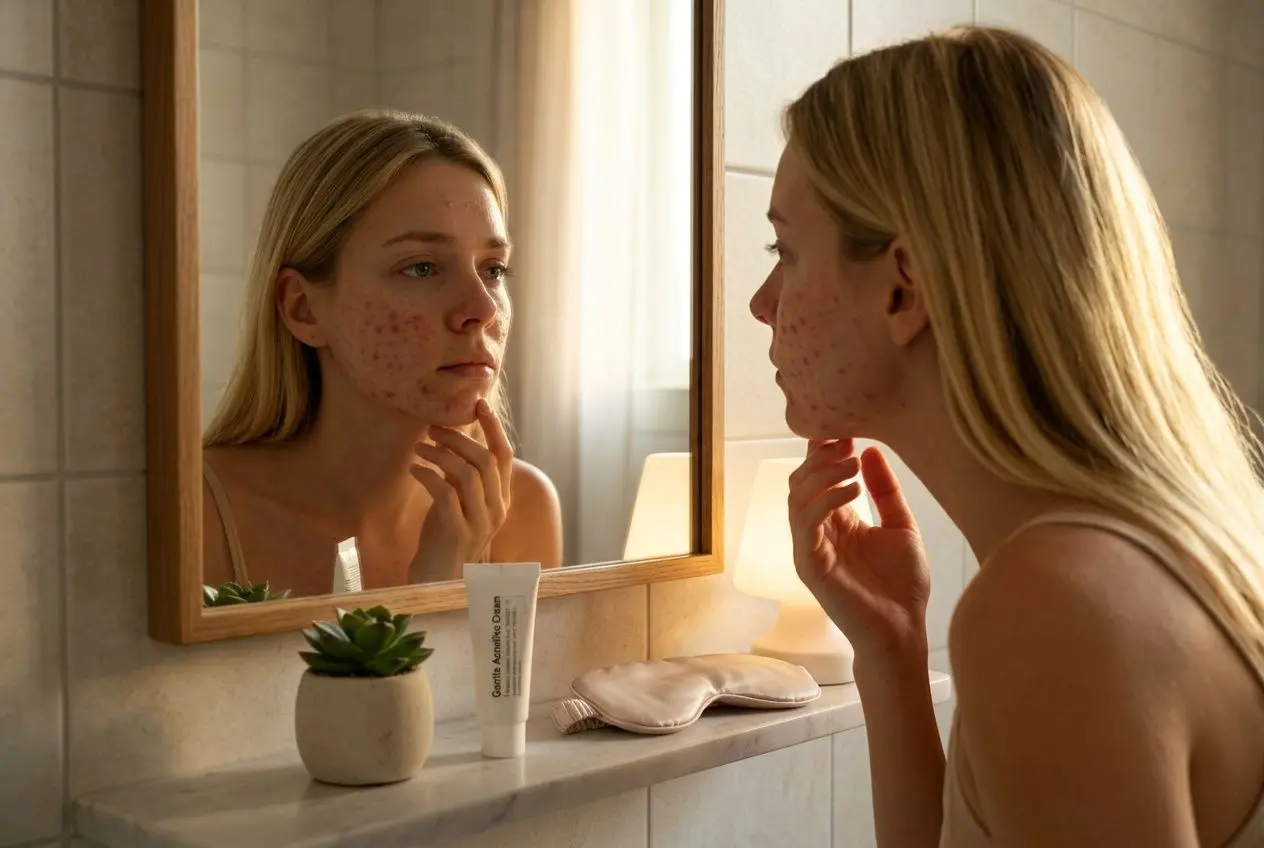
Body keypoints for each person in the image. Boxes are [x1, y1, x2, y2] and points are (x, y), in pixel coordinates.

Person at [750, 26, 1264, 848]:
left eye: (784, 249)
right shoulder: (1130, 558)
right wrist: (891, 651)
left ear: (902, 288)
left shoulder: (1056, 607)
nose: (762, 302)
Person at [202, 110, 563, 599]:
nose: (481, 307)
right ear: (303, 308)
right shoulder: (197, 511)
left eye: (494, 269)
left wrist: (447, 578)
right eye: (421, 268)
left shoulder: (522, 507)